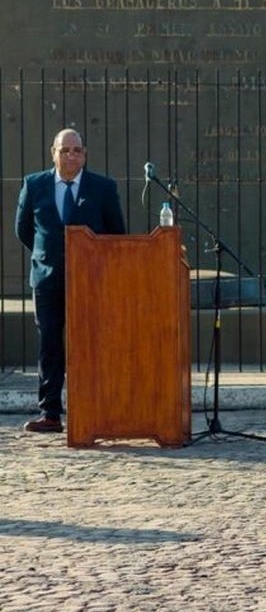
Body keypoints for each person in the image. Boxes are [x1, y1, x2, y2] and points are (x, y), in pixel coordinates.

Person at [14, 129, 126, 433]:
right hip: (47, 280)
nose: (71, 156)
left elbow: (116, 233)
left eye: (76, 150)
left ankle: (94, 409)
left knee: (90, 343)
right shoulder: (34, 184)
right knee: (49, 342)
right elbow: (24, 230)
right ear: (53, 153)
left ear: (85, 154)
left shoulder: (102, 188)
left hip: (90, 281)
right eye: (64, 150)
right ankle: (50, 412)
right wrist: (47, 255)